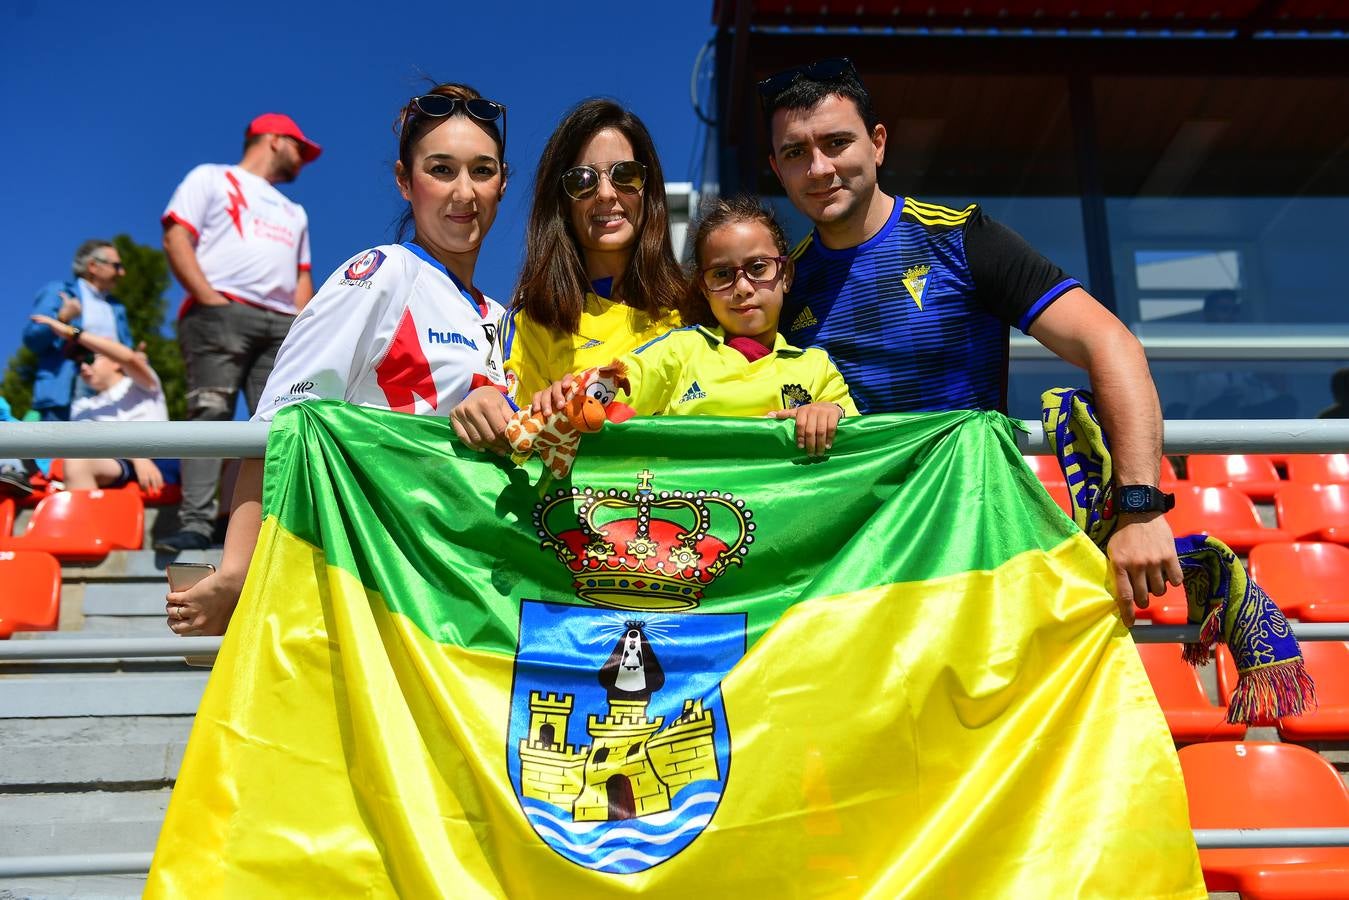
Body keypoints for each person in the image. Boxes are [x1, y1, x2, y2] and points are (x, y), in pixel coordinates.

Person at [758, 58, 1180, 622]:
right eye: (795, 153)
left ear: (878, 143)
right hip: (851, 575)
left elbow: (1113, 345)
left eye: (837, 143)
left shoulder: (963, 240)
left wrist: (1140, 509)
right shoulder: (780, 287)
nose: (818, 168)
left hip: (975, 553)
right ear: (775, 168)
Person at [165, 83, 510, 637]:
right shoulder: (382, 272)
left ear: (503, 182)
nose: (464, 192)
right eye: (441, 169)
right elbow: (282, 426)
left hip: (470, 590)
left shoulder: (501, 316)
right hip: (378, 588)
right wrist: (234, 573)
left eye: (482, 170)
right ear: (405, 181)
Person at [533, 195, 855, 457]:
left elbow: (864, 446)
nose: (742, 287)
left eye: (758, 268)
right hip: (691, 527)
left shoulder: (816, 368)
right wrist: (564, 400)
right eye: (722, 274)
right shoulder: (681, 351)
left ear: (786, 276)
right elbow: (619, 381)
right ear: (703, 287)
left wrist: (832, 416)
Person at [450, 99, 684, 451]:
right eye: (583, 180)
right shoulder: (532, 325)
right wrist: (484, 404)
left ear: (648, 190)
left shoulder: (701, 311)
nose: (606, 193)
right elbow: (516, 442)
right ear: (562, 202)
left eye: (625, 175)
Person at [155, 113, 321, 554]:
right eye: (298, 147)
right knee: (210, 412)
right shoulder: (211, 178)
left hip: (282, 324)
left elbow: (301, 276)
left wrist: (304, 328)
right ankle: (194, 522)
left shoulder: (294, 212)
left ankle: (268, 529)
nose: (303, 159)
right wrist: (208, 297)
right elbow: (177, 235)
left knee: (283, 424)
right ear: (272, 139)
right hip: (222, 312)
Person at [28, 314, 174, 495]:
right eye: (77, 364)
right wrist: (137, 457)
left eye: (89, 358)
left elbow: (128, 358)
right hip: (116, 466)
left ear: (114, 361)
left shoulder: (142, 385)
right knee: (77, 462)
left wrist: (71, 332)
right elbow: (89, 445)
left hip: (161, 463)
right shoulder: (82, 407)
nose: (83, 367)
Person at [22, 239, 133, 421]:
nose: (122, 272)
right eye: (116, 266)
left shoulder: (117, 308)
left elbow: (126, 351)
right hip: (65, 394)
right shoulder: (60, 292)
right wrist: (62, 318)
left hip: (111, 395)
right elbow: (32, 339)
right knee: (60, 449)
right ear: (93, 266)